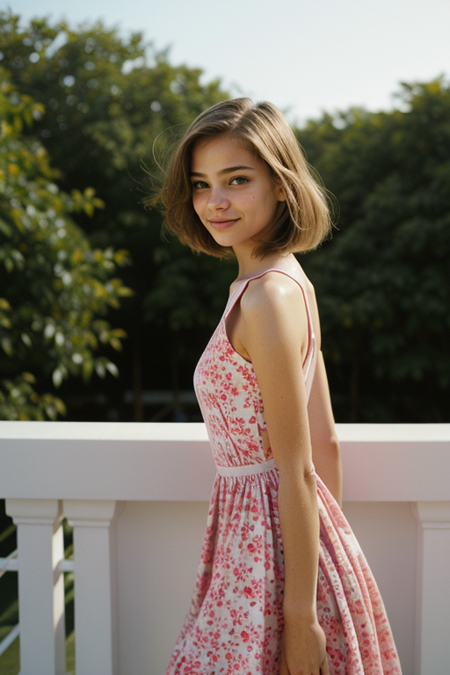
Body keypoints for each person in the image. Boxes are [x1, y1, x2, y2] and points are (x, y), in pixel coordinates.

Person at [154, 98, 402, 675]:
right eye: (201, 183)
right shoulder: (289, 281)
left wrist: (301, 618)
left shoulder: (266, 297)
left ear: (282, 185)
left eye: (237, 180)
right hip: (276, 550)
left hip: (261, 551)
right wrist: (326, 579)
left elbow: (298, 466)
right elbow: (327, 443)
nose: (215, 201)